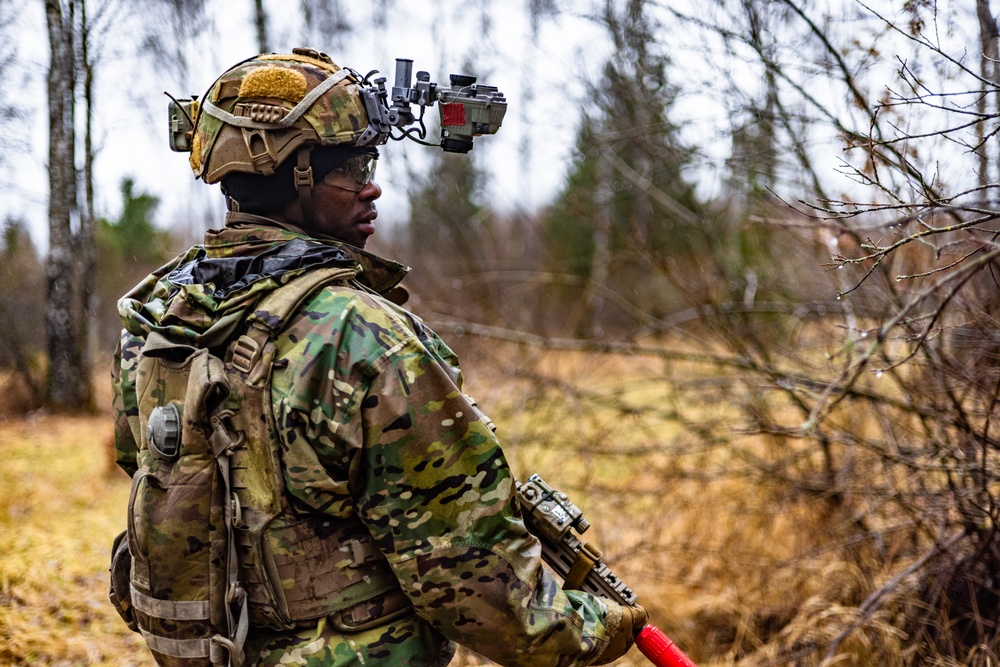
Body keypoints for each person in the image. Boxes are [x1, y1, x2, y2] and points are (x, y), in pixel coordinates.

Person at [111, 48, 646, 667]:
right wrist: (609, 623)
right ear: (298, 178)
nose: (373, 186)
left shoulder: (158, 319)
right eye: (353, 168)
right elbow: (483, 590)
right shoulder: (361, 337)